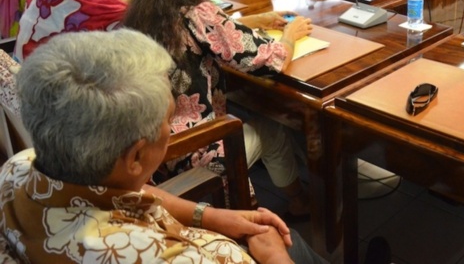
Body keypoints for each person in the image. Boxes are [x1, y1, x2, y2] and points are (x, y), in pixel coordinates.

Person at [3, 29, 325, 264]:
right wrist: (273, 257)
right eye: (169, 119)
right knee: (293, 243)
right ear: (136, 157)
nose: (171, 128)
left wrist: (212, 217)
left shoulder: (17, 171)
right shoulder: (166, 258)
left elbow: (129, 192)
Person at [124, 0, 315, 218]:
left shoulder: (145, 8)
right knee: (273, 127)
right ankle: (299, 202)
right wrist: (290, 34)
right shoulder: (197, 10)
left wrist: (253, 18)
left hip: (150, 151)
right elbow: (267, 60)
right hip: (189, 150)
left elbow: (207, 33)